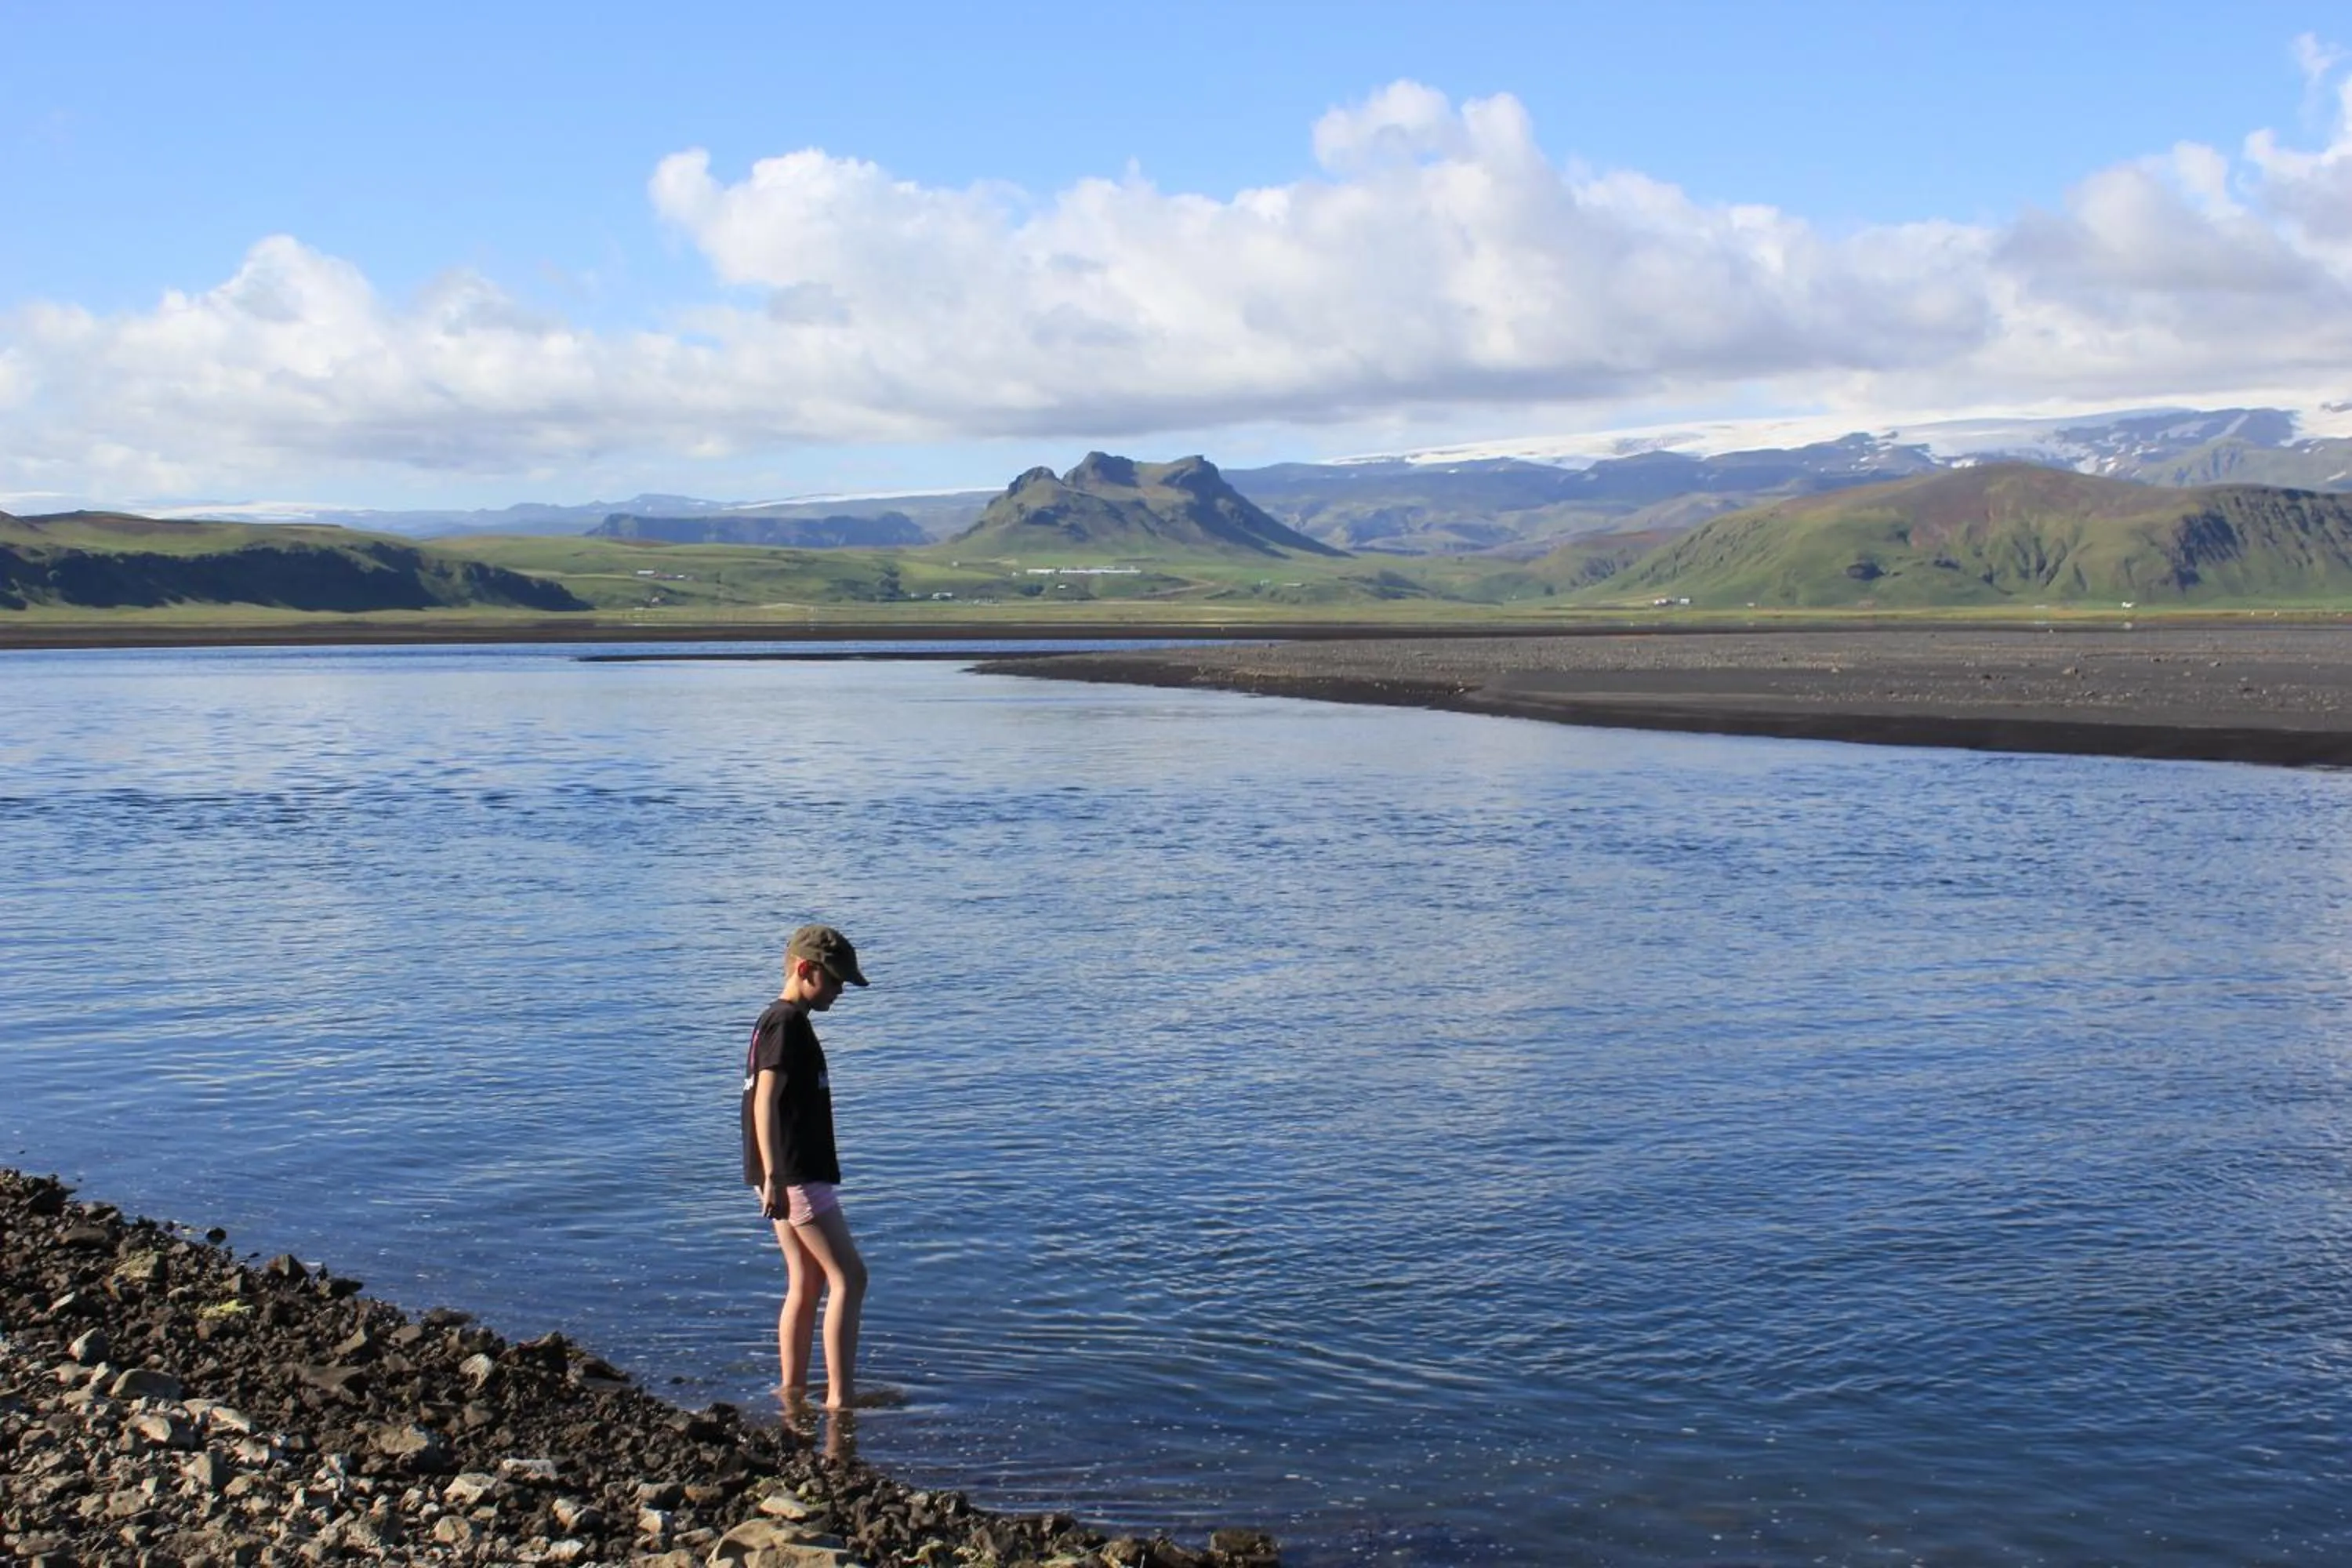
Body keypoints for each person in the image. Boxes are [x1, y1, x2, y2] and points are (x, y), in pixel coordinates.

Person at [741, 922, 870, 1408]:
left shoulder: (777, 1020)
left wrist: (766, 1176)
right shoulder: (786, 1023)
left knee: (807, 1279)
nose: (840, 992)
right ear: (805, 969)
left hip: (780, 1174)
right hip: (794, 1173)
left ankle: (792, 1390)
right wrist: (774, 1175)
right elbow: (764, 1102)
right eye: (835, 981)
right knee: (850, 1278)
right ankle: (841, 1400)